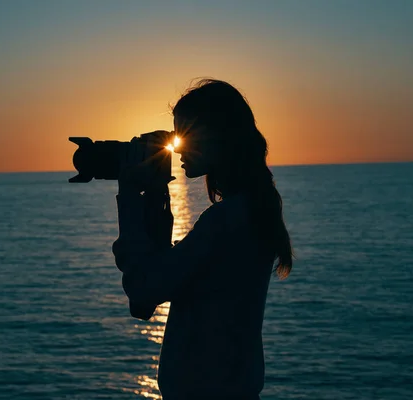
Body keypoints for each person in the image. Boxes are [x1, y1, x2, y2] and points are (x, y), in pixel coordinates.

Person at [112, 79, 293, 399]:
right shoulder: (248, 210)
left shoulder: (225, 221)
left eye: (186, 133)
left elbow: (144, 288)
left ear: (218, 138)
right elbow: (146, 299)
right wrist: (155, 196)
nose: (178, 146)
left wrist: (129, 194)